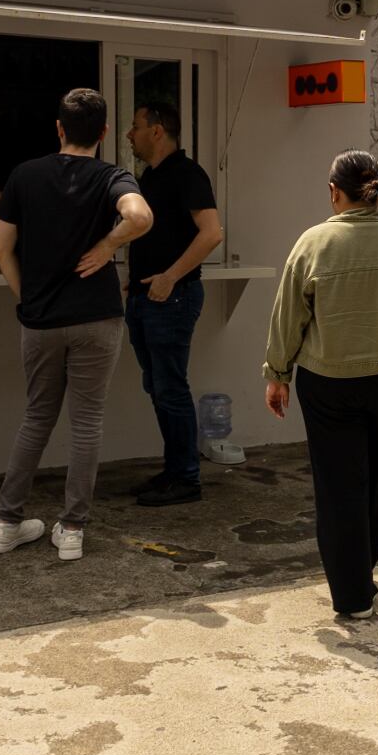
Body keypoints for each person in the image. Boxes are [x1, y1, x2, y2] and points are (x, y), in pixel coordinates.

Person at [262, 149, 378, 623]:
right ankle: (363, 571)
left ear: (334, 192)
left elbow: (288, 317)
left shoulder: (313, 243)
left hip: (330, 383)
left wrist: (277, 374)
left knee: (339, 484)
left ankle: (352, 594)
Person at [0, 87, 153, 563]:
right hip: (97, 318)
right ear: (103, 133)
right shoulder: (112, 177)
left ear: (59, 128)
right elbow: (140, 216)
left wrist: (29, 298)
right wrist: (107, 247)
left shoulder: (24, 176)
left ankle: (6, 523)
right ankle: (73, 530)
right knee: (87, 423)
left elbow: (0, 248)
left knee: (37, 417)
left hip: (41, 320)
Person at [122, 101, 222, 507]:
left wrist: (169, 276)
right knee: (159, 387)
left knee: (171, 388)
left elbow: (212, 233)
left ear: (157, 130)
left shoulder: (186, 173)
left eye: (135, 126)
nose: (130, 134)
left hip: (172, 297)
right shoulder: (151, 176)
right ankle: (174, 471)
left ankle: (185, 479)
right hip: (147, 298)